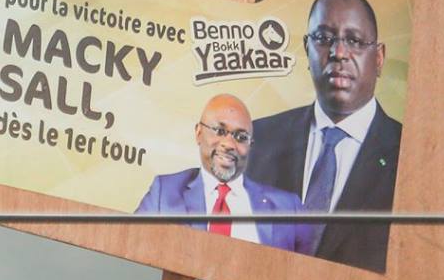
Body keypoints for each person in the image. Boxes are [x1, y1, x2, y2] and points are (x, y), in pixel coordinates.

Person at [246, 0, 402, 274]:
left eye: (354, 40)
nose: (338, 53)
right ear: (307, 48)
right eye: (323, 38)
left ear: (378, 58)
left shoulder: (410, 159)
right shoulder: (258, 140)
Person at [131, 95, 316, 254]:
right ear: (198, 132)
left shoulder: (288, 209)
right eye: (220, 131)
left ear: (250, 146)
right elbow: (132, 252)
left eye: (241, 137)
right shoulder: (164, 193)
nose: (228, 144)